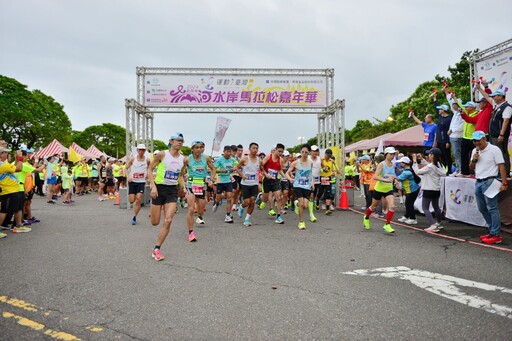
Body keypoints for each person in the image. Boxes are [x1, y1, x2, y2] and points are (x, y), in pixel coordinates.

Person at [147, 132, 186, 261]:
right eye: (177, 140)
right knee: (155, 222)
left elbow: (180, 175)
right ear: (171, 141)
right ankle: (153, 212)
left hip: (172, 191)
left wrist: (184, 187)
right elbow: (149, 169)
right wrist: (152, 185)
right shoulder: (162, 154)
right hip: (159, 188)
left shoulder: (183, 159)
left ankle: (157, 248)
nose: (180, 142)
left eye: (182, 140)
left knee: (168, 220)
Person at [470, 130, 509, 245]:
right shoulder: (474, 151)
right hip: (478, 181)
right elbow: (471, 167)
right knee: (482, 208)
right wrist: (474, 159)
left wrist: (504, 183)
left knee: (492, 208)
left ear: (484, 139)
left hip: (490, 181)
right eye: (474, 141)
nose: (476, 143)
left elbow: (501, 166)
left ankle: (496, 234)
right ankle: (493, 231)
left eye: (478, 140)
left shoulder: (494, 149)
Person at [183, 140, 216, 239]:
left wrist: (211, 180)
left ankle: (200, 217)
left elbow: (213, 169)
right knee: (191, 209)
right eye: (196, 147)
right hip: (191, 184)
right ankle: (191, 232)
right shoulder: (187, 159)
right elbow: (182, 171)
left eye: (201, 147)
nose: (199, 149)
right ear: (192, 149)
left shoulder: (206, 158)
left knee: (201, 209)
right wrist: (184, 180)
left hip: (202, 185)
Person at [362, 147, 398, 234]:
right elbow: (375, 176)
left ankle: (387, 224)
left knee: (392, 206)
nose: (392, 156)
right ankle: (366, 218)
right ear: (386, 155)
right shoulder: (382, 164)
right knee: (373, 207)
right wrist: (386, 180)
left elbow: (393, 175)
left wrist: (395, 180)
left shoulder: (393, 165)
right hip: (379, 189)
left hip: (388, 189)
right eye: (390, 154)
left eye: (393, 154)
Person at [412, 148, 446, 232]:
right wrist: (423, 160)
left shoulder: (431, 166)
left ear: (433, 155)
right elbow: (429, 165)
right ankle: (439, 223)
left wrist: (415, 161)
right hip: (436, 189)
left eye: (430, 155)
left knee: (425, 207)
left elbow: (417, 171)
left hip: (428, 189)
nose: (428, 156)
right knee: (436, 206)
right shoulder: (440, 165)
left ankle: (432, 224)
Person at [478, 88, 511, 175]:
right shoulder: (497, 106)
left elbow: (506, 121)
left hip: (499, 136)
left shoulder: (507, 107)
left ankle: (505, 173)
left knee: (502, 153)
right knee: (494, 154)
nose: (493, 98)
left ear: (500, 96)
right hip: (493, 135)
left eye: (495, 96)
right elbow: (487, 96)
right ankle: (497, 172)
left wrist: (501, 134)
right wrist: (478, 87)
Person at [286, 144, 314, 230]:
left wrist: (312, 182)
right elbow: (287, 173)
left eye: (306, 152)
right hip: (298, 185)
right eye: (302, 152)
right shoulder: (295, 163)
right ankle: (301, 222)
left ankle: (296, 203)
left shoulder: (310, 163)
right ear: (300, 152)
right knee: (302, 204)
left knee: (305, 205)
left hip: (307, 185)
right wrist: (290, 179)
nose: (304, 154)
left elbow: (310, 174)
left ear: (309, 153)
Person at [0, 148, 27, 236]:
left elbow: (14, 167)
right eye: (6, 153)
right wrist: (19, 158)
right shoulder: (2, 165)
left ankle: (18, 225)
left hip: (12, 190)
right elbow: (19, 168)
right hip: (8, 190)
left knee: (16, 208)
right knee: (4, 210)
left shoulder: (5, 164)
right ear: (1, 154)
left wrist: (16, 159)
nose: (8, 154)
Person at [260, 143, 286, 224]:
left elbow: (279, 169)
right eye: (279, 151)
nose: (280, 153)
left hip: (275, 180)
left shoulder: (281, 160)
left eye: (282, 152)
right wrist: (265, 174)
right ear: (275, 150)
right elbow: (261, 166)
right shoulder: (268, 156)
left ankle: (278, 216)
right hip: (267, 180)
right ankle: (261, 199)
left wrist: (284, 176)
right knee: (265, 198)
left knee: (279, 197)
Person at [125, 144, 150, 225]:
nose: (141, 151)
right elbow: (125, 168)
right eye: (140, 150)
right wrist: (128, 176)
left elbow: (150, 168)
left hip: (141, 182)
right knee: (131, 201)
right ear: (137, 150)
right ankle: (134, 197)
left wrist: (147, 174)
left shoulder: (147, 160)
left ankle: (134, 217)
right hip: (132, 182)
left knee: (139, 199)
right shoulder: (133, 159)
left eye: (143, 150)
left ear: (145, 151)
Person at [236, 142, 260, 226]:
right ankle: (241, 207)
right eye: (253, 148)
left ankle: (247, 219)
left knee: (252, 201)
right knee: (247, 201)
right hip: (245, 183)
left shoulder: (259, 160)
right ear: (249, 149)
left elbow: (263, 169)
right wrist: (242, 175)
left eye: (256, 148)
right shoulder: (245, 159)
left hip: (254, 183)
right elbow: (237, 168)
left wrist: (265, 174)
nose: (255, 150)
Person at [212, 145, 236, 223]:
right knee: (218, 197)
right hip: (220, 181)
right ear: (224, 152)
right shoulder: (219, 160)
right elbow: (213, 169)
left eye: (230, 152)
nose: (229, 153)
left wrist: (232, 170)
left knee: (229, 197)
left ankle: (228, 215)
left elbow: (233, 169)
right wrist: (222, 171)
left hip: (228, 181)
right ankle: (217, 202)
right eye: (227, 152)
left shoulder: (232, 160)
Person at [395, 156, 420, 225]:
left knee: (409, 204)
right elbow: (400, 172)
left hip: (412, 190)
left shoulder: (407, 172)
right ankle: (406, 216)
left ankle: (413, 218)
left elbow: (398, 178)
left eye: (401, 162)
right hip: (410, 189)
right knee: (408, 203)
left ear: (404, 163)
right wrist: (396, 168)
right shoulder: (406, 169)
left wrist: (391, 175)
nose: (399, 164)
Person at [433, 99, 453, 174]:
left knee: (447, 155)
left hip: (445, 140)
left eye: (440, 109)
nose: (439, 110)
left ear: (444, 110)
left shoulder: (449, 119)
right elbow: (435, 108)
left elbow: (449, 130)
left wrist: (448, 141)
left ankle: (449, 170)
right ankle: (444, 170)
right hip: (439, 140)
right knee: (441, 156)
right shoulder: (440, 117)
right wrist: (435, 99)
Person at [446, 94, 465, 176]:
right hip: (453, 136)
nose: (452, 107)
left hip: (457, 136)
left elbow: (462, 126)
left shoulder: (462, 113)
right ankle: (457, 169)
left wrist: (451, 130)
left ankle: (460, 170)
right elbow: (449, 102)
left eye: (454, 105)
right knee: (455, 154)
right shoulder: (455, 113)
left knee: (458, 154)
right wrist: (447, 93)